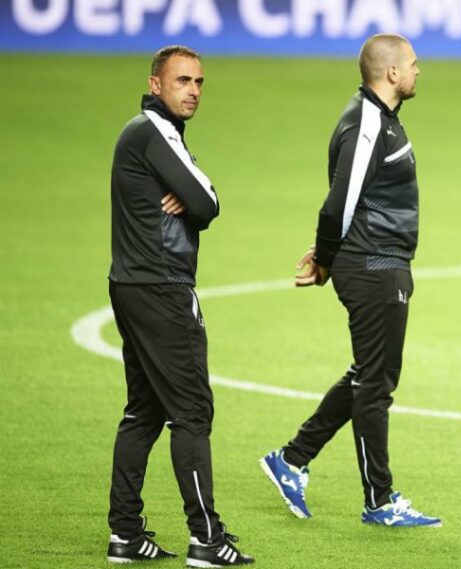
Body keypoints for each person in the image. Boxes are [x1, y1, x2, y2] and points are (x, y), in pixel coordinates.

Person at [259, 34, 440, 528]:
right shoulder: (367, 124)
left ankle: (292, 459)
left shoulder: (379, 120)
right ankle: (378, 500)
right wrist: (325, 258)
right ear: (392, 73)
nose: (418, 71)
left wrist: (331, 254)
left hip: (377, 262)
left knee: (368, 374)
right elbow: (338, 203)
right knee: (376, 384)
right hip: (373, 267)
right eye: (412, 64)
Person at [106, 45, 253, 566]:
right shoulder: (154, 131)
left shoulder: (150, 134)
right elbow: (207, 201)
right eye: (182, 81)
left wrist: (188, 194)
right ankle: (205, 538)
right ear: (155, 85)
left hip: (131, 284)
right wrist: (191, 194)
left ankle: (124, 533)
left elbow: (195, 198)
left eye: (199, 82)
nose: (193, 91)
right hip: (163, 288)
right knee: (191, 411)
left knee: (144, 411)